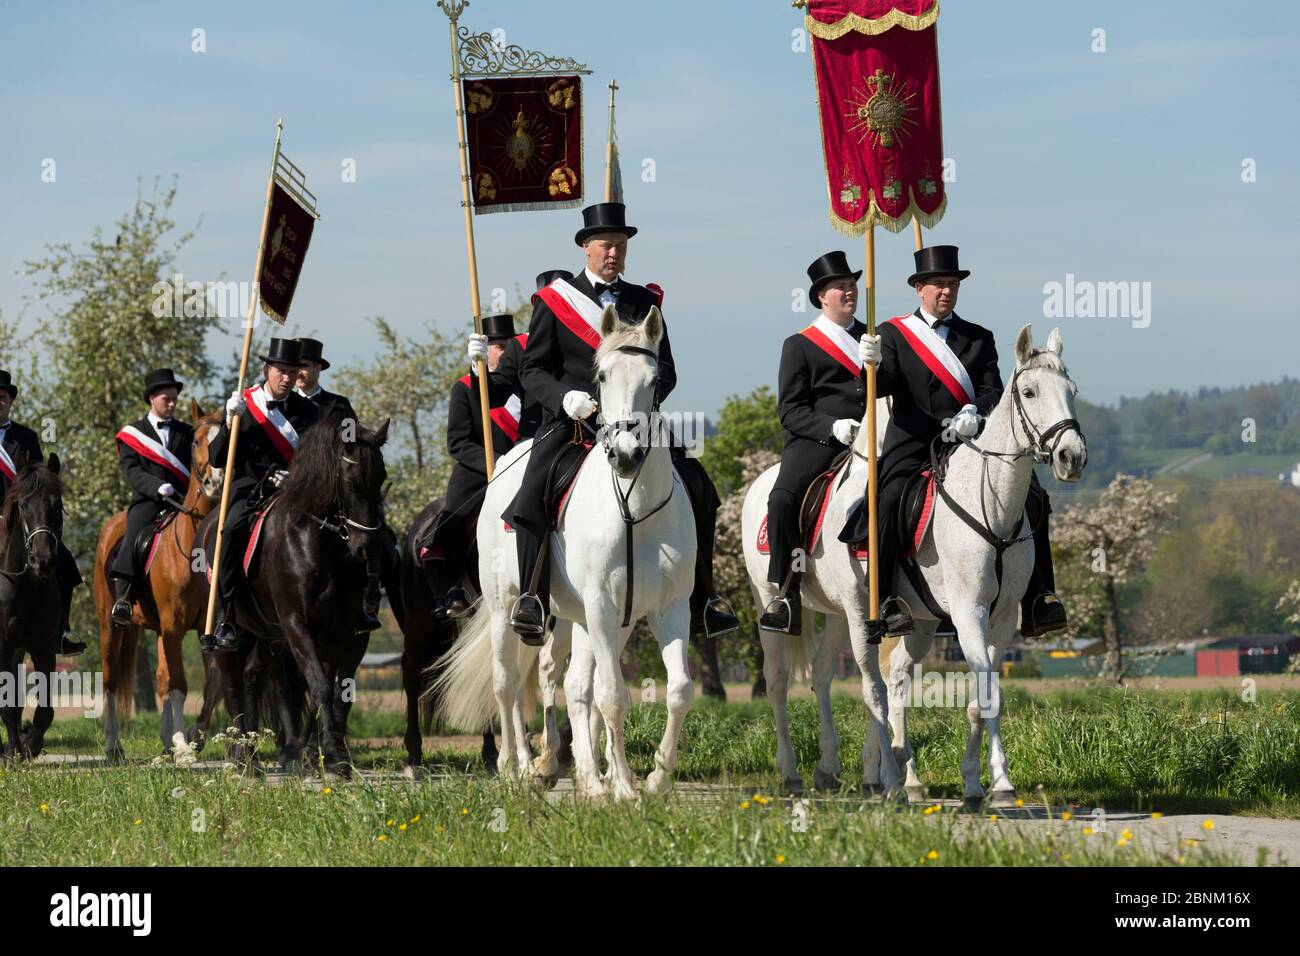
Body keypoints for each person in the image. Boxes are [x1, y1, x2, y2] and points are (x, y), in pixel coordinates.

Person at [502, 203, 738, 643]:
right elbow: (532, 369)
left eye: (621, 246)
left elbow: (666, 369)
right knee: (532, 490)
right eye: (606, 245)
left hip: (637, 422)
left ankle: (705, 597)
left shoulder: (645, 302)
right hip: (576, 421)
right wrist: (564, 398)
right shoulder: (556, 301)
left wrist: (646, 401)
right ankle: (532, 597)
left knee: (699, 486)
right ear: (586, 248)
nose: (614, 253)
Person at [859, 245, 1067, 637]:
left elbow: (993, 391)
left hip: (970, 443)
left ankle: (1040, 597)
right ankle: (886, 600)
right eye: (938, 284)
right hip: (913, 444)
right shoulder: (893, 334)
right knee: (885, 502)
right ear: (919, 288)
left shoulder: (979, 337)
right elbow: (879, 387)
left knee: (1034, 495)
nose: (946, 291)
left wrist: (974, 412)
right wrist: (868, 363)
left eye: (952, 284)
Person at [759, 252, 913, 638]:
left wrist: (882, 363)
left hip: (878, 437)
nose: (849, 292)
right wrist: (831, 426)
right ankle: (786, 591)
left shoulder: (876, 337)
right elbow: (790, 410)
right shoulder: (800, 345)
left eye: (852, 285)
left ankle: (900, 592)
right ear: (821, 297)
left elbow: (898, 387)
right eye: (840, 287)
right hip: (820, 442)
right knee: (782, 499)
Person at [201, 338, 320, 651]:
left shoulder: (308, 411)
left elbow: (316, 458)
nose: (286, 378)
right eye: (281, 371)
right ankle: (227, 614)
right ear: (267, 370)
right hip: (250, 490)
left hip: (295, 491)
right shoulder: (245, 405)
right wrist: (229, 423)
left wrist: (296, 478)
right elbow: (216, 458)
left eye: (292, 372)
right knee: (230, 530)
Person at [427, 313, 522, 617]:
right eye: (498, 347)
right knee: (455, 515)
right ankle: (453, 585)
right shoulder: (465, 388)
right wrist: (493, 464)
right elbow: (457, 441)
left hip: (520, 466)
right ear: (485, 351)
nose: (505, 353)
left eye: (509, 346)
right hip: (478, 470)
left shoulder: (524, 386)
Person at [0, 369, 85, 654]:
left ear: (10, 401)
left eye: (2, 398)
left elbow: (38, 482)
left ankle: (61, 630)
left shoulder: (26, 436)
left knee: (65, 562)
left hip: (20, 518)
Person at [108, 369, 195, 624]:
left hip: (183, 500)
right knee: (133, 534)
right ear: (152, 398)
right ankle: (123, 597)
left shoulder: (187, 432)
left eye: (174, 400)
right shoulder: (133, 434)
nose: (171, 404)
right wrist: (156, 486)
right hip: (150, 500)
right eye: (166, 399)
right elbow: (131, 470)